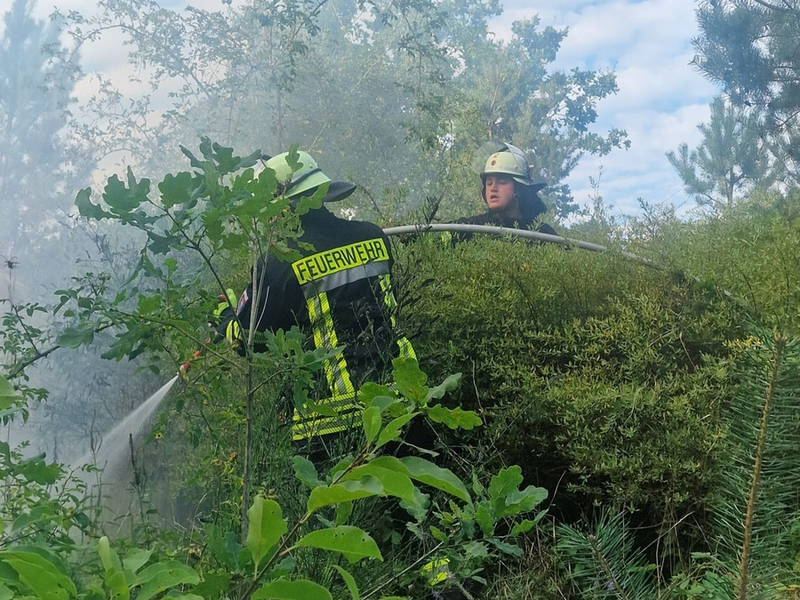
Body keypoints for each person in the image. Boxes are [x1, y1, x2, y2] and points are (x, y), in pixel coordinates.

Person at [215, 149, 415, 452]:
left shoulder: (281, 261)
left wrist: (225, 316)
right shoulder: (373, 236)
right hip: (401, 403)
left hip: (331, 424)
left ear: (281, 206)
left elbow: (248, 338)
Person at [454, 142, 558, 239]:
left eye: (502, 181)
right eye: (489, 183)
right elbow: (442, 237)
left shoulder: (542, 235)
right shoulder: (472, 228)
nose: (493, 188)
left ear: (519, 188)